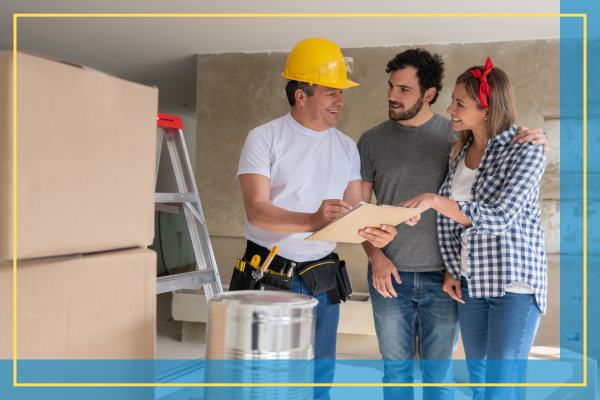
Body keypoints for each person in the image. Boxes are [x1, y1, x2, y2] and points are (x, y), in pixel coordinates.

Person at [357, 49, 548, 400]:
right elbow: (447, 226)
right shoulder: (460, 149)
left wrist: (432, 201)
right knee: (465, 381)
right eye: (391, 86)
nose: (391, 96)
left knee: (485, 384)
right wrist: (381, 256)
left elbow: (499, 215)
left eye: (404, 89)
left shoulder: (500, 144)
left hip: (509, 280)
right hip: (462, 283)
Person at [236, 37, 397, 400]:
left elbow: (356, 209)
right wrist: (312, 221)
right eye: (331, 93)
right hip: (270, 278)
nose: (341, 101)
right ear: (301, 96)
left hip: (321, 279)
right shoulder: (264, 139)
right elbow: (256, 210)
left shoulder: (344, 147)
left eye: (341, 93)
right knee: (264, 383)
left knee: (319, 381)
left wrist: (378, 230)